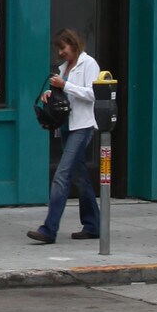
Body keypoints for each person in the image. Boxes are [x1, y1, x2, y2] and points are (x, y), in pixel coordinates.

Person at [28, 27, 102, 244]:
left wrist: (66, 85)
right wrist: (51, 94)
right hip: (66, 127)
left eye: (63, 47)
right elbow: (64, 97)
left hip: (82, 126)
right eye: (58, 49)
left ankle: (49, 230)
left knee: (61, 175)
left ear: (73, 43)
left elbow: (94, 94)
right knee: (79, 176)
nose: (60, 52)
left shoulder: (89, 64)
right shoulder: (63, 68)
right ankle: (93, 225)